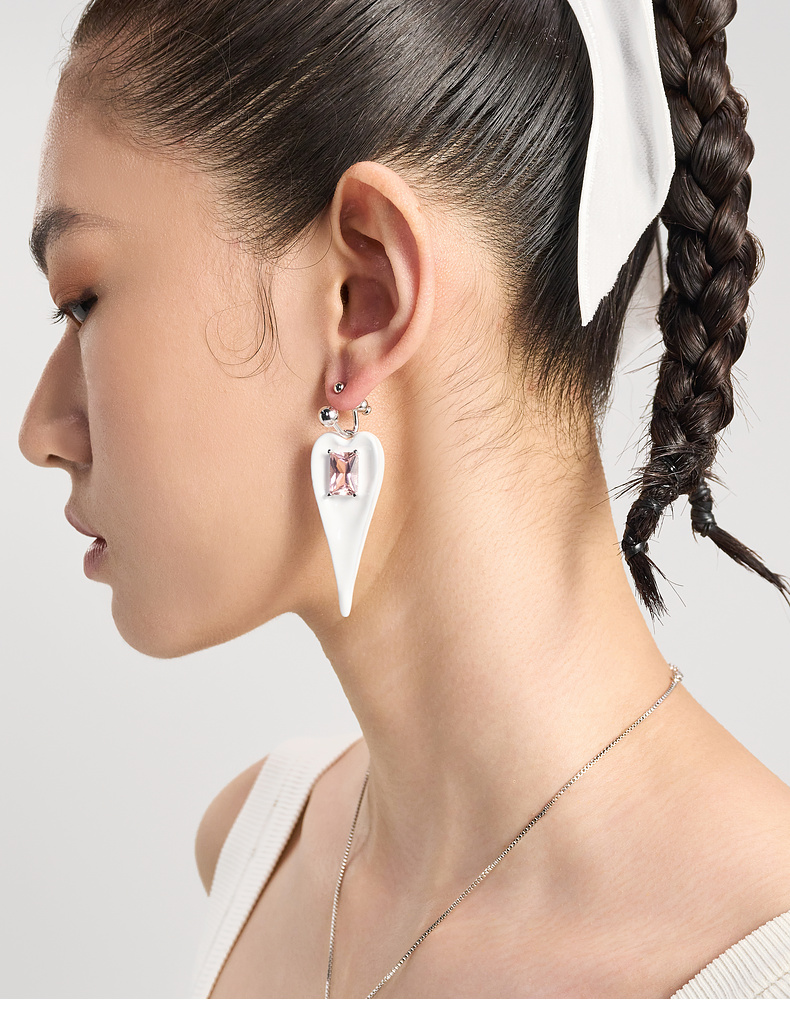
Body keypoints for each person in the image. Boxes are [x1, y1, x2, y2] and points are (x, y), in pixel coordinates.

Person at [18, 0, 790, 1000]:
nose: (40, 430)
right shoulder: (257, 847)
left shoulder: (757, 972)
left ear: (364, 294)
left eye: (83, 300)